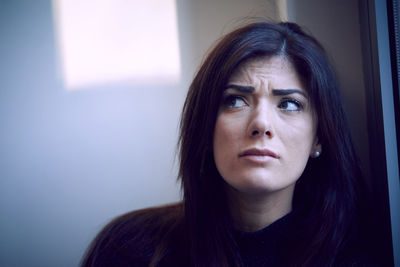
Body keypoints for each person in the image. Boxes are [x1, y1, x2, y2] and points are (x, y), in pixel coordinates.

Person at [82, 21, 373, 266]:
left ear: (319, 138)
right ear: (206, 127)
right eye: (235, 101)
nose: (261, 124)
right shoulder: (128, 249)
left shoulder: (361, 254)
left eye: (289, 104)